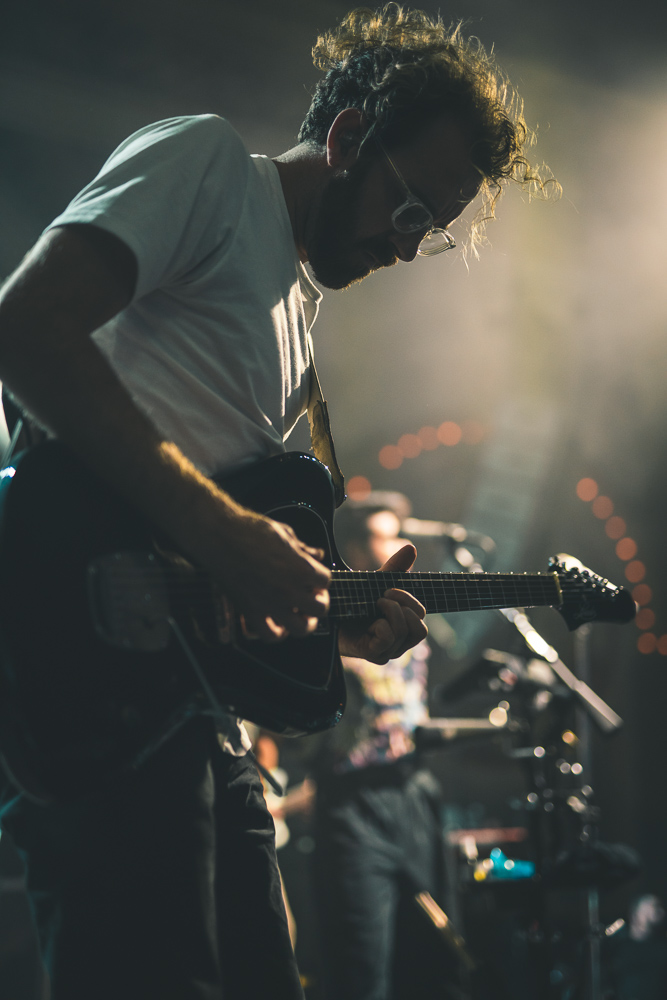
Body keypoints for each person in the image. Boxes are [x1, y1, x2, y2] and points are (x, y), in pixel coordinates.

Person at [0, 5, 552, 998]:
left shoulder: (298, 314)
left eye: (429, 232)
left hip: (194, 711)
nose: (405, 246)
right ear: (346, 138)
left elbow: (214, 566)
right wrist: (226, 533)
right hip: (92, 689)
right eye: (410, 210)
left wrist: (333, 619)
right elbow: (26, 329)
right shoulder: (209, 164)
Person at [312, 494, 451, 1000]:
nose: (398, 544)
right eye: (383, 536)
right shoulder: (327, 620)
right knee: (361, 969)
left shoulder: (413, 619)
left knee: (435, 959)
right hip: (353, 802)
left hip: (412, 791)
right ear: (352, 548)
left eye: (399, 532)